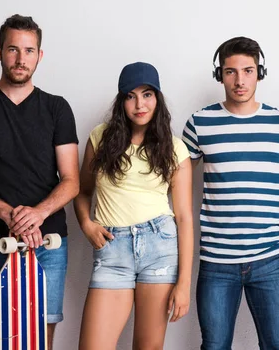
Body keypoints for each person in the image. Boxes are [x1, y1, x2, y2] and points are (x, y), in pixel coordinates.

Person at [0, 14, 80, 350]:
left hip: (47, 245)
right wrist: (9, 215)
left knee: (38, 343)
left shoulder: (57, 108)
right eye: (13, 49)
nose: (21, 59)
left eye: (29, 50)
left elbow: (71, 180)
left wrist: (37, 214)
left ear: (40, 55)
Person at [182, 37, 279, 350]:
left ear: (259, 72)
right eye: (230, 72)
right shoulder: (199, 123)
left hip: (270, 260)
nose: (239, 80)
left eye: (248, 71)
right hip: (217, 261)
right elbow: (173, 183)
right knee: (215, 345)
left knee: (277, 344)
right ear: (219, 75)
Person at [73, 62, 194, 350]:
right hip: (112, 250)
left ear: (158, 98)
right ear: (121, 101)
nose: (140, 104)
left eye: (147, 94)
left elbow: (185, 218)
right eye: (130, 96)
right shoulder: (100, 138)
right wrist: (86, 224)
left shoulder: (175, 149)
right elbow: (82, 191)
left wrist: (184, 284)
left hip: (159, 249)